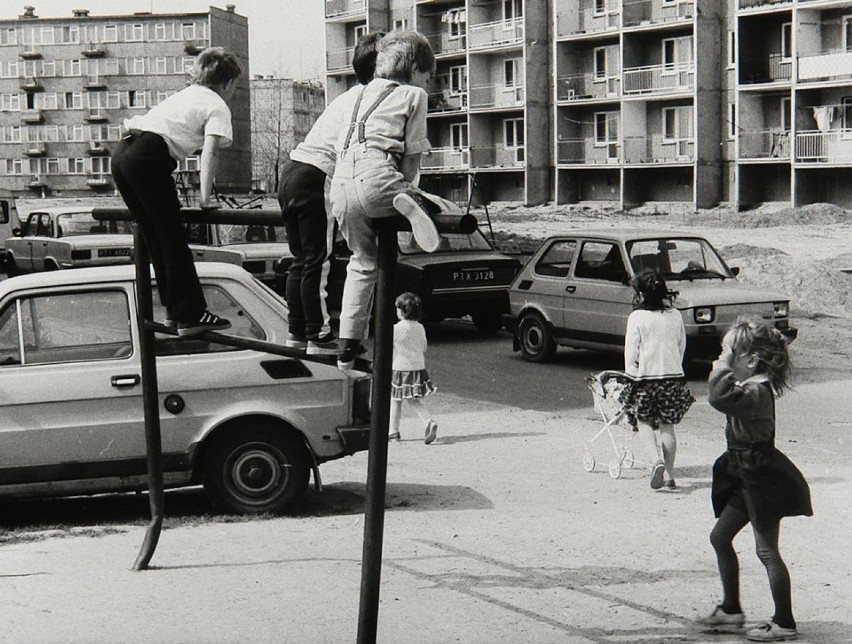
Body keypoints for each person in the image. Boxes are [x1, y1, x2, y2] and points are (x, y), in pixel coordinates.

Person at [330, 29, 442, 372]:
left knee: (362, 261)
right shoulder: (413, 96)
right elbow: (410, 156)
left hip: (341, 184)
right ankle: (410, 203)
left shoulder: (356, 94)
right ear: (413, 70)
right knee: (418, 196)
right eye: (427, 76)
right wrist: (406, 185)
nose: (427, 84)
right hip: (379, 176)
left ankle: (347, 344)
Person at [112, 46, 241, 337]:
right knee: (171, 237)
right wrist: (205, 199)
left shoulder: (187, 94)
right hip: (148, 158)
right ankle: (191, 314)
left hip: (123, 154)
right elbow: (210, 152)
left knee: (156, 236)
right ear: (230, 83)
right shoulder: (217, 105)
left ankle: (174, 312)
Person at [698, 318, 812, 642]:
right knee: (720, 537)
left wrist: (722, 360)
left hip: (759, 475)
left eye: (731, 352)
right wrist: (728, 353)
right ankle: (732, 609)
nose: (726, 358)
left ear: (750, 361)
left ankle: (785, 622)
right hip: (742, 470)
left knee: (766, 551)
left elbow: (717, 397)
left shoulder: (755, 392)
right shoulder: (751, 387)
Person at [277, 32, 384, 356]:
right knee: (317, 261)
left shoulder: (347, 96)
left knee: (301, 259)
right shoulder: (370, 99)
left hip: (292, 171)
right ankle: (318, 333)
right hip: (316, 176)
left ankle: (297, 331)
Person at [619, 269, 694, 489]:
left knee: (643, 423)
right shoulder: (675, 315)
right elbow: (681, 346)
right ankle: (669, 475)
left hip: (646, 378)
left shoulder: (637, 317)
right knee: (667, 427)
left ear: (640, 294)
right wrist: (674, 365)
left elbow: (630, 352)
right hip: (672, 377)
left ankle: (655, 461)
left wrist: (629, 374)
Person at [389, 292, 437, 444]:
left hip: (400, 367)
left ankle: (393, 432)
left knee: (396, 400)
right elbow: (424, 347)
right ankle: (428, 421)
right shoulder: (420, 327)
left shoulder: (396, 329)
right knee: (414, 400)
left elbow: (388, 347)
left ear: (401, 311)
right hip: (417, 367)